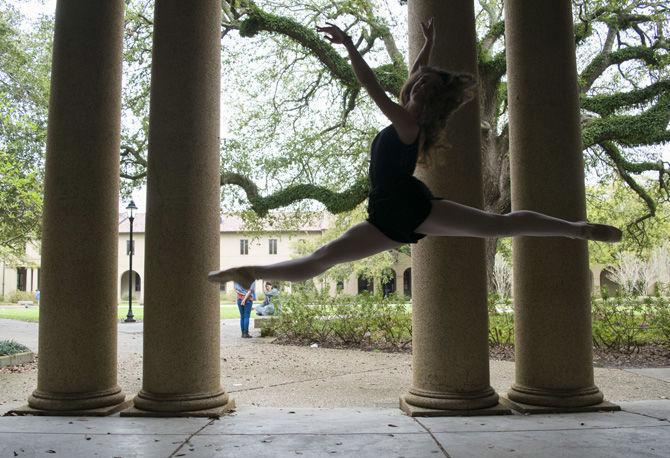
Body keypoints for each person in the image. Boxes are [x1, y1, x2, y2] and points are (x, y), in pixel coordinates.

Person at [209, 19, 622, 289]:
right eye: (418, 82)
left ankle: (577, 228)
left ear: (429, 104)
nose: (418, 85)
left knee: (500, 224)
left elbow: (372, 86)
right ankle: (252, 271)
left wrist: (351, 45)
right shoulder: (410, 118)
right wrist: (428, 45)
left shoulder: (408, 125)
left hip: (407, 206)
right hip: (387, 212)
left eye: (425, 88)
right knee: (322, 258)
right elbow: (411, 78)